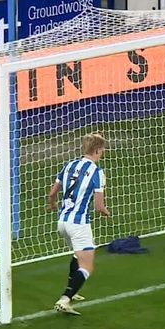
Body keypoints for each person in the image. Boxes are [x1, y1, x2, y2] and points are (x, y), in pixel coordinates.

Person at [47, 133, 110, 315]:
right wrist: (105, 212)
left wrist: (52, 205)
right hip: (79, 224)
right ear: (97, 150)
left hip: (62, 222)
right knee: (87, 266)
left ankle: (72, 292)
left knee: (77, 254)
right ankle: (65, 299)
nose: (103, 152)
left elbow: (52, 193)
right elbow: (99, 206)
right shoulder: (97, 172)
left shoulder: (69, 165)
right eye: (102, 150)